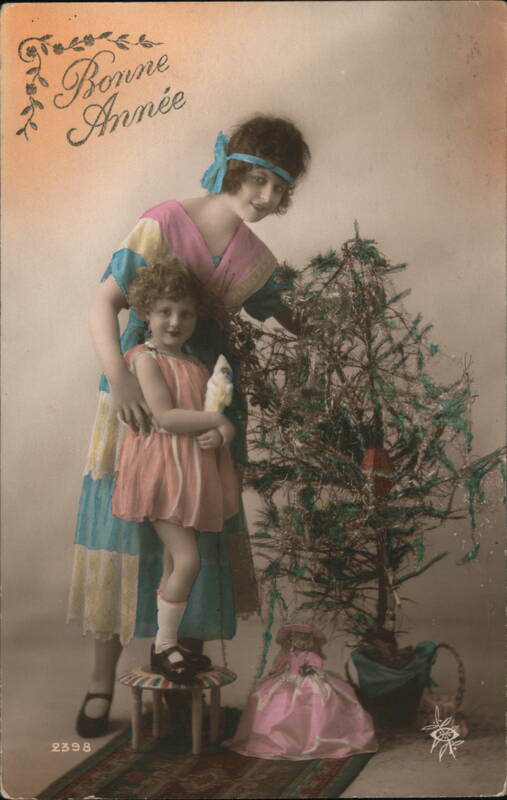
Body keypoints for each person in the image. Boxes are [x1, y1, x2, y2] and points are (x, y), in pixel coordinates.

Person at [69, 114, 311, 737]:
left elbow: (285, 312)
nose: (264, 197)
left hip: (205, 402)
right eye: (257, 180)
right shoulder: (163, 220)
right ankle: (101, 685)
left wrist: (326, 329)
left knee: (199, 528)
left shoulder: (254, 256)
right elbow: (104, 300)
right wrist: (121, 382)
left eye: (278, 190)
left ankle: (181, 672)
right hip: (142, 396)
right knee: (129, 529)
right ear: (232, 167)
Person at [111, 257, 239, 681]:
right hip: (163, 474)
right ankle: (166, 645)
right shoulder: (144, 359)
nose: (174, 321)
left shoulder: (198, 367)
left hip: (191, 475)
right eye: (164, 311)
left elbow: (206, 416)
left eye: (185, 313)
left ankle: (165, 644)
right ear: (146, 312)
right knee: (188, 559)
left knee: (174, 560)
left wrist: (220, 435)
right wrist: (219, 422)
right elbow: (165, 417)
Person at [226, 623, 378, 760]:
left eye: (303, 639)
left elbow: (317, 668)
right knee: (270, 697)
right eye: (295, 640)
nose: (299, 643)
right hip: (288, 679)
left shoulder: (311, 655)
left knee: (314, 699)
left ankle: (314, 739)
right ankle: (274, 740)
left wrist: (310, 670)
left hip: (308, 680)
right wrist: (272, 674)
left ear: (309, 641)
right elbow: (279, 667)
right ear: (290, 641)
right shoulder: (288, 655)